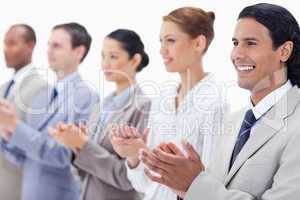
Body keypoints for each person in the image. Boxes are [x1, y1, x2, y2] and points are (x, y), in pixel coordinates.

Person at [138, 3, 300, 200]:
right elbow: (213, 189)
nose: (237, 54)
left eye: (250, 43)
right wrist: (182, 184)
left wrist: (193, 184)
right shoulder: (235, 121)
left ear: (284, 51)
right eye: (235, 43)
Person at [110, 7, 226, 200]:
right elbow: (146, 184)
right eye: (161, 41)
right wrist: (135, 154)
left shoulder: (217, 104)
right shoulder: (163, 99)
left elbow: (212, 186)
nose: (162, 49)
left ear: (198, 43)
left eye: (170, 40)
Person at [0, 22, 99, 200]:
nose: (49, 51)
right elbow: (25, 157)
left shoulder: (87, 97)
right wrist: (6, 132)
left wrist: (15, 125)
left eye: (57, 46)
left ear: (79, 52)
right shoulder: (43, 94)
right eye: (48, 45)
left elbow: (65, 156)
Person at [49, 29, 151, 200]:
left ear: (135, 60)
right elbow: (85, 172)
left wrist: (84, 144)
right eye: (103, 56)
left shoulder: (143, 107)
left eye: (113, 57)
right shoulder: (100, 107)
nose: (105, 64)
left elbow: (128, 178)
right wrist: (75, 146)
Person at [0, 24, 48, 200]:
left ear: (30, 46)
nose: (5, 49)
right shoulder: (3, 88)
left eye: (12, 43)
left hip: (19, 187)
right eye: (4, 43)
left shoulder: (43, 88)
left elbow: (38, 144)